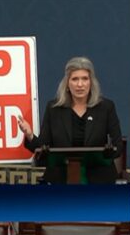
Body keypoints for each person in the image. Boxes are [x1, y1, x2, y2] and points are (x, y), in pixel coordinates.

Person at [18, 56, 123, 184]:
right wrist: (29, 135)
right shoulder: (54, 109)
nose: (80, 84)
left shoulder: (106, 107)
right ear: (67, 83)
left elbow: (118, 146)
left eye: (85, 79)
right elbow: (42, 147)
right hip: (60, 179)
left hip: (98, 179)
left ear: (91, 82)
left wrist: (104, 156)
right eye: (75, 79)